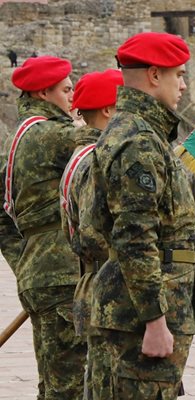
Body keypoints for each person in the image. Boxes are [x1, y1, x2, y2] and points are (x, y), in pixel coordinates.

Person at [87, 32, 195, 399]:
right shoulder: (139, 141)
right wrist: (154, 318)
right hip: (143, 313)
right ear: (154, 76)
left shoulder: (136, 131)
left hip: (139, 303)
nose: (183, 85)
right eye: (178, 75)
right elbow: (135, 236)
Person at [0, 55, 86, 398]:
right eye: (66, 90)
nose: (73, 97)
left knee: (54, 382)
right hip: (62, 275)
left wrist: (26, 261)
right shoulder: (51, 134)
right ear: (41, 93)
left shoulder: (18, 137)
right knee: (69, 386)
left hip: (43, 271)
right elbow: (111, 144)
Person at [59, 68, 123, 399]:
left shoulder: (83, 155)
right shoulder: (94, 161)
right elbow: (94, 235)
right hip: (108, 288)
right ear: (109, 110)